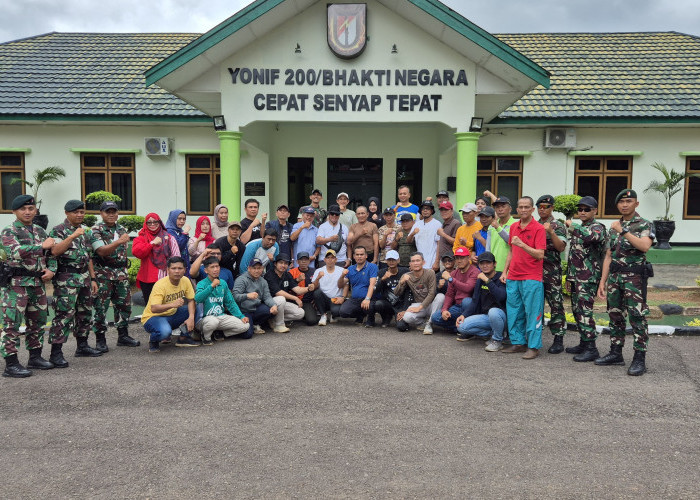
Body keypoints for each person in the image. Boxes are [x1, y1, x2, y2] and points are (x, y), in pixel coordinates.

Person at [596, 189, 655, 376]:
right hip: (615, 278)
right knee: (615, 315)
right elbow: (608, 256)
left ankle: (639, 358)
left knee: (637, 317)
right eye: (621, 202)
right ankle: (616, 353)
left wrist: (625, 231)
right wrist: (602, 282)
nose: (624, 205)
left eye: (629, 201)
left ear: (636, 204)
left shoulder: (644, 224)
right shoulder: (613, 226)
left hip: (634, 279)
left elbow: (645, 246)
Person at [0, 195, 57, 377]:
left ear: (35, 211)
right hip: (16, 284)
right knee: (12, 324)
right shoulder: (9, 231)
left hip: (37, 284)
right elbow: (14, 252)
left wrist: (52, 270)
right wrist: (41, 246)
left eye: (30, 209)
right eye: (23, 209)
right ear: (14, 212)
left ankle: (35, 357)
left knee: (38, 322)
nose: (27, 212)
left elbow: (52, 254)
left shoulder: (40, 230)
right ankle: (11, 363)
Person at [48, 199, 102, 359]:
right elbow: (55, 251)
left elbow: (89, 257)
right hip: (67, 279)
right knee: (64, 314)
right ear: (67, 213)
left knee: (85, 313)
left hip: (84, 277)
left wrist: (93, 278)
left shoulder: (85, 231)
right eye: (76, 212)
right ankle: (56, 353)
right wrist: (72, 236)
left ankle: (82, 346)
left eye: (82, 212)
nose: (79, 215)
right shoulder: (58, 230)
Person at [500, 196, 546, 359]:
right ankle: (518, 342)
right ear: (517, 209)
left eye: (527, 207)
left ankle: (533, 346)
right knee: (514, 312)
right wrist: (505, 271)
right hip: (514, 276)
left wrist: (523, 245)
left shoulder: (539, 228)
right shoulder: (513, 227)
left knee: (533, 312)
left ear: (533, 209)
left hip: (532, 277)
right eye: (521, 207)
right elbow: (511, 251)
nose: (524, 210)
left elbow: (540, 254)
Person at [91, 201, 140, 352]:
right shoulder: (96, 230)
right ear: (101, 213)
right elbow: (100, 251)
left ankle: (123, 336)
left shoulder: (121, 229)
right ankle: (100, 339)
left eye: (114, 211)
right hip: (103, 274)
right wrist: (119, 241)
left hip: (121, 274)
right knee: (101, 307)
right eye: (108, 211)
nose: (111, 214)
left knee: (124, 306)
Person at [564, 196, 607, 362]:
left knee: (585, 312)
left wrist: (572, 225)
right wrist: (568, 276)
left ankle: (591, 348)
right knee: (576, 311)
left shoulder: (598, 227)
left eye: (586, 209)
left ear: (595, 211)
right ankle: (584, 342)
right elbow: (573, 255)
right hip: (576, 277)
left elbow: (591, 238)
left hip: (588, 278)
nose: (582, 212)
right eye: (580, 209)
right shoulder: (579, 227)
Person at [141, 256, 198, 352]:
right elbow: (154, 308)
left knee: (197, 309)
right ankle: (153, 339)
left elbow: (191, 300)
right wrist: (173, 304)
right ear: (168, 270)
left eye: (180, 268)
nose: (177, 271)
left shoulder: (185, 280)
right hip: (153, 317)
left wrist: (191, 317)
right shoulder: (160, 285)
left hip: (172, 314)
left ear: (184, 270)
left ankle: (183, 338)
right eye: (173, 268)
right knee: (165, 332)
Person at [455, 252, 507, 351]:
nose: (485, 265)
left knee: (493, 311)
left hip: (501, 316)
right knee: (461, 327)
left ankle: (497, 340)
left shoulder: (501, 277)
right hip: (486, 317)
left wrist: (488, 281)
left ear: (494, 264)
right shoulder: (480, 279)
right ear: (478, 265)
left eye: (488, 263)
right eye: (482, 263)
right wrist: (464, 315)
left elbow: (501, 296)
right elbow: (474, 301)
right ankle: (495, 333)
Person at [535, 195, 568, 354]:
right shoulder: (533, 224)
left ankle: (558, 339)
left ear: (552, 208)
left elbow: (561, 247)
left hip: (551, 271)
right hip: (534, 271)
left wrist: (551, 232)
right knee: (535, 305)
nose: (543, 209)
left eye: (546, 206)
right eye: (540, 206)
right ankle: (534, 336)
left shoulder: (557, 225)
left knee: (555, 305)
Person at [195, 256, 250, 344]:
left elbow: (230, 303)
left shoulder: (223, 283)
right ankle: (206, 338)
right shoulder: (202, 283)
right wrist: (211, 286)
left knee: (245, 326)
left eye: (217, 266)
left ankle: (220, 333)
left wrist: (241, 316)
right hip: (205, 319)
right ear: (206, 270)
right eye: (212, 267)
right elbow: (198, 298)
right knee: (213, 322)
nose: (215, 269)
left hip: (220, 317)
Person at [426, 247, 479, 334]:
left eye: (462, 258)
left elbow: (468, 288)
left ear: (468, 258)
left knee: (466, 301)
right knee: (436, 317)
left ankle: (465, 328)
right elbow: (449, 294)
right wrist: (445, 310)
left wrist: (451, 279)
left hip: (470, 306)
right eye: (457, 258)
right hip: (457, 306)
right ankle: (459, 327)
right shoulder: (454, 273)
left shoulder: (474, 271)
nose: (459, 260)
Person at [132, 213, 180, 303]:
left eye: (155, 222)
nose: (152, 224)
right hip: (147, 278)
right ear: (145, 224)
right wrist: (152, 244)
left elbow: (176, 258)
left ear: (160, 222)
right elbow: (137, 252)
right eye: (149, 222)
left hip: (165, 277)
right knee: (150, 306)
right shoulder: (141, 238)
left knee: (166, 305)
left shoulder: (169, 238)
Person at [232, 258, 279, 335]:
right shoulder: (241, 279)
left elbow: (267, 297)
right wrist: (247, 296)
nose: (256, 271)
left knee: (270, 310)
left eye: (259, 268)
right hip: (243, 311)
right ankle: (246, 324)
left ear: (262, 269)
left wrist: (274, 305)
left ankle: (255, 324)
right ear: (249, 269)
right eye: (254, 268)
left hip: (256, 308)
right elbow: (234, 297)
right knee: (247, 335)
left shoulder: (263, 281)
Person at [393, 252, 436, 332]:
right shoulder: (407, 275)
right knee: (406, 317)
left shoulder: (430, 273)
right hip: (418, 303)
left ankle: (430, 323)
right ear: (410, 264)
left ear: (423, 262)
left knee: (440, 297)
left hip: (431, 305)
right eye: (413, 261)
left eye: (418, 260)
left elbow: (432, 293)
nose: (415, 263)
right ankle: (424, 323)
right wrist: (401, 282)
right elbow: (396, 293)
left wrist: (419, 308)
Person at [265, 254, 306, 332]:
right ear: (275, 264)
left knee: (300, 313)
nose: (283, 265)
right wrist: (295, 298)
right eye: (281, 263)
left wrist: (309, 288)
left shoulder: (287, 275)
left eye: (286, 263)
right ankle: (279, 325)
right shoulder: (269, 275)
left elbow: (297, 290)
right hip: (269, 304)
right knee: (281, 298)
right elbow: (278, 292)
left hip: (281, 304)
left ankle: (273, 320)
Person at [337, 246, 378, 325]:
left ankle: (370, 317)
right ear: (354, 256)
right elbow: (340, 285)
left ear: (366, 256)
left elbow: (372, 284)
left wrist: (367, 299)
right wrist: (342, 276)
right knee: (343, 312)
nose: (359, 256)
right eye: (357, 254)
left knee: (369, 307)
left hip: (369, 298)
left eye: (361, 254)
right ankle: (361, 315)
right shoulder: (350, 269)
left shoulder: (372, 267)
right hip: (355, 299)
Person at [369, 249, 409, 328]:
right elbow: (375, 290)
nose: (391, 262)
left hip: (401, 304)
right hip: (387, 302)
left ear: (398, 260)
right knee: (378, 304)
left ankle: (400, 319)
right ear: (386, 261)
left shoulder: (405, 271)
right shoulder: (381, 272)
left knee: (402, 327)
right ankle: (386, 317)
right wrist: (382, 279)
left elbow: (409, 292)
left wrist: (405, 309)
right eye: (389, 260)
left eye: (394, 259)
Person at [312, 250, 345, 326]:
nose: (330, 260)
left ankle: (333, 315)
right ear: (324, 259)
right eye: (328, 258)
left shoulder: (341, 270)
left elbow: (345, 285)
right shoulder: (318, 270)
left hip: (335, 299)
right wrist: (318, 278)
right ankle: (323, 315)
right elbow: (314, 286)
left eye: (332, 258)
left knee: (336, 311)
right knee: (317, 293)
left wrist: (343, 297)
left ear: (336, 260)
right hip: (323, 298)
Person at [288, 251, 319, 325]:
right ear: (297, 261)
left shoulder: (314, 271)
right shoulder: (291, 272)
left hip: (307, 301)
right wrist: (297, 280)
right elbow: (288, 288)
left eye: (306, 259)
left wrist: (315, 299)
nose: (303, 262)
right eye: (301, 260)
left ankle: (307, 313)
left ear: (309, 261)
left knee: (312, 321)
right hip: (294, 299)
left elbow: (318, 287)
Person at [488, 195, 517, 272]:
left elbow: (511, 241)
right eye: (497, 207)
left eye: (503, 206)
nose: (500, 209)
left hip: (509, 269)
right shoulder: (491, 226)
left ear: (510, 209)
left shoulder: (515, 224)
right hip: (492, 269)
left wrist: (498, 228)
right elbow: (488, 248)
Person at [413, 200, 442, 271]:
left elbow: (439, 244)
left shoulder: (437, 224)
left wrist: (437, 262)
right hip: (419, 264)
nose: (425, 210)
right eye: (423, 209)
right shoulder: (417, 224)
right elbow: (409, 240)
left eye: (428, 209)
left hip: (432, 263)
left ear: (432, 211)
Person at [165, 209, 191, 275]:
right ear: (173, 218)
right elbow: (179, 246)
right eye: (179, 219)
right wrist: (185, 233)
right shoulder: (169, 231)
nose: (182, 221)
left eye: (184, 219)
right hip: (175, 267)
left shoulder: (180, 231)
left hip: (183, 264)